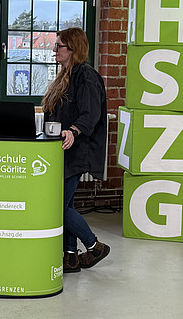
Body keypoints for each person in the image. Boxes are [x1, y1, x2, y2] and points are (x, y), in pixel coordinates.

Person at [42, 27, 110, 272]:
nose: (54, 49)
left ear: (73, 49)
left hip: (76, 150)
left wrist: (73, 130)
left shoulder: (85, 76)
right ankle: (70, 257)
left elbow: (90, 113)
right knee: (66, 205)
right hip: (60, 150)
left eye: (59, 45)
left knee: (58, 206)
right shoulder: (64, 76)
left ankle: (94, 247)